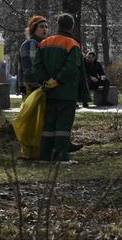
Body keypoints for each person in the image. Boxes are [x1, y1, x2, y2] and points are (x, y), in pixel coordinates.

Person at [34, 13, 82, 162]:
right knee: (63, 125)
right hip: (66, 92)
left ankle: (45, 155)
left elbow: (37, 65)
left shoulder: (44, 43)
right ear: (71, 26)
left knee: (49, 124)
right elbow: (72, 68)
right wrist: (58, 80)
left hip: (49, 91)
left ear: (58, 25)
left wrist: (46, 81)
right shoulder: (72, 44)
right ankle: (61, 155)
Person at [17, 15, 48, 96]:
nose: (45, 29)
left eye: (46, 27)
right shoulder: (31, 43)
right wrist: (38, 87)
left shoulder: (40, 44)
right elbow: (29, 69)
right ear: (33, 29)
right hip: (33, 89)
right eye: (41, 26)